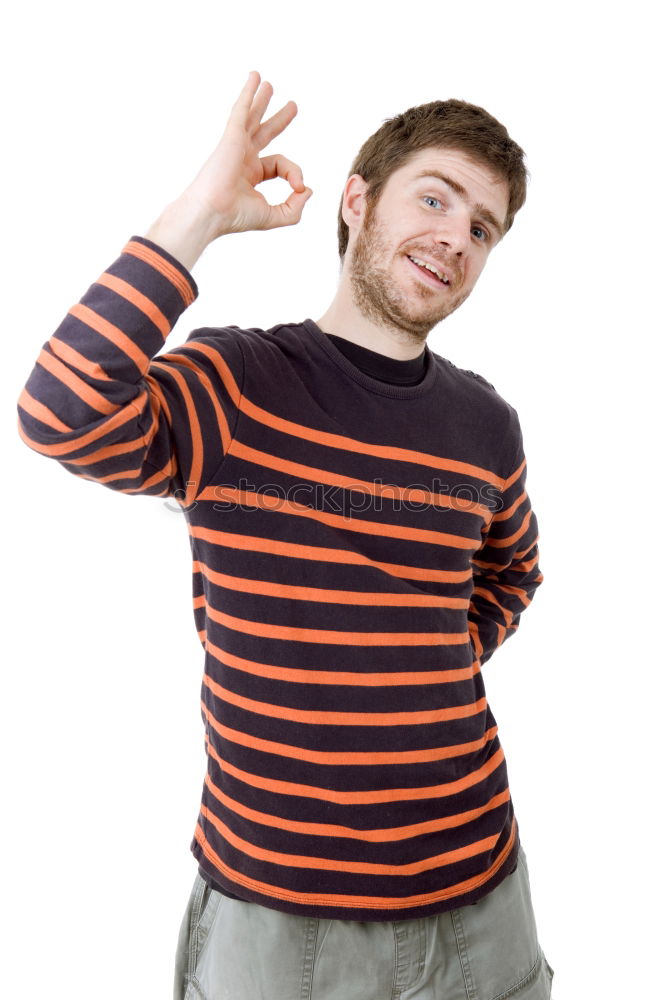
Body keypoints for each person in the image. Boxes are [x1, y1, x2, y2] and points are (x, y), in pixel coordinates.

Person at [17, 71, 554, 999]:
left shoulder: (486, 426)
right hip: (279, 911)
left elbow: (513, 573)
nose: (455, 239)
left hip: (479, 895)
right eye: (435, 197)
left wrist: (426, 663)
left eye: (482, 229)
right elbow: (61, 412)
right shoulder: (237, 382)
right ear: (357, 200)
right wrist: (201, 215)